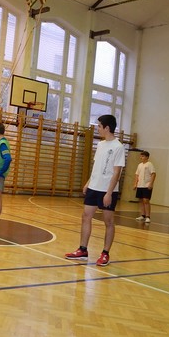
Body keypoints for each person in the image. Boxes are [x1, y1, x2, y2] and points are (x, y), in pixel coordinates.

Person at [65, 114, 125, 266]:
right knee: (86, 216)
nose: (97, 128)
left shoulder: (118, 147)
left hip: (107, 190)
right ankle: (83, 250)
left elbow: (117, 173)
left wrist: (109, 193)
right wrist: (88, 183)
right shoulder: (100, 145)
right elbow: (96, 166)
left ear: (107, 128)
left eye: (99, 126)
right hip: (94, 187)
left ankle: (105, 253)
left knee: (108, 222)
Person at [133, 150, 156, 223]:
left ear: (147, 157)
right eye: (141, 156)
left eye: (142, 156)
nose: (141, 157)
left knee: (146, 200)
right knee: (141, 200)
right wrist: (135, 184)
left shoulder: (149, 164)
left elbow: (153, 174)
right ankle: (142, 215)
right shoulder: (139, 165)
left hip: (146, 185)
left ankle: (148, 216)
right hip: (140, 185)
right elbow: (137, 175)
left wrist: (151, 183)